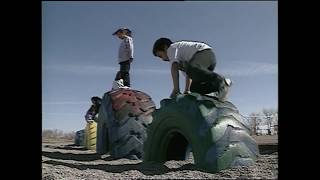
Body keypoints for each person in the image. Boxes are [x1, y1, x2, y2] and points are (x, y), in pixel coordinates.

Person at [152, 38, 231, 101]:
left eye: (161, 56)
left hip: (204, 53)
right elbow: (188, 75)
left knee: (192, 67)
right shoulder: (181, 60)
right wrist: (187, 90)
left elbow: (174, 67)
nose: (162, 59)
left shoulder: (172, 48)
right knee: (194, 88)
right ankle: (217, 90)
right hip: (205, 64)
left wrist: (176, 89)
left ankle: (220, 81)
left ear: (165, 47)